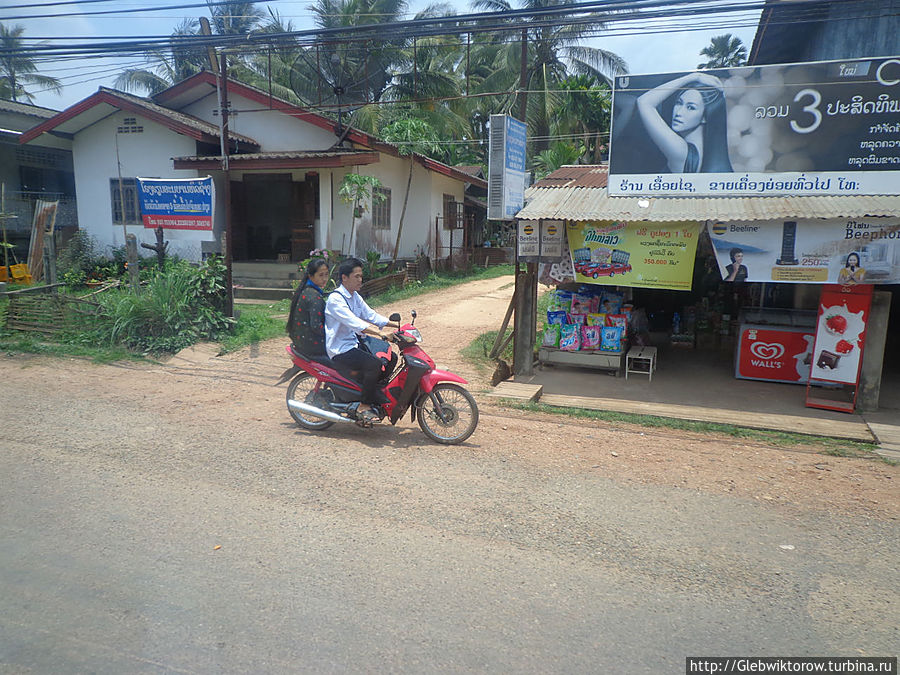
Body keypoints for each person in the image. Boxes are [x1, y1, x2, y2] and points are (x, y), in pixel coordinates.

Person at [324, 257, 400, 422]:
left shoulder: (354, 296)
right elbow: (355, 323)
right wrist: (380, 334)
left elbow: (370, 314)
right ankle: (363, 405)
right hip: (340, 349)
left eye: (361, 276)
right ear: (344, 278)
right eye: (356, 276)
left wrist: (397, 326)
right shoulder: (336, 299)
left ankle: (372, 391)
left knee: (391, 357)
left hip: (354, 343)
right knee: (374, 364)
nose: (361, 279)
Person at [636, 71, 733, 174]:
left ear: (705, 116)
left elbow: (644, 102)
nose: (679, 112)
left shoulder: (680, 151)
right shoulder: (711, 154)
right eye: (679, 103)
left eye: (690, 107)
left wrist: (695, 76)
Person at [287, 258, 330, 357]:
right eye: (320, 275)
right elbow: (316, 327)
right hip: (311, 345)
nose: (324, 279)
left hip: (300, 341)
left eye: (326, 274)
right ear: (311, 276)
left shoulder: (305, 290)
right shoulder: (314, 297)